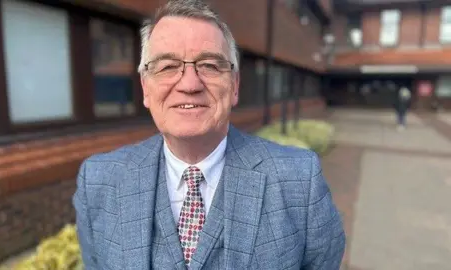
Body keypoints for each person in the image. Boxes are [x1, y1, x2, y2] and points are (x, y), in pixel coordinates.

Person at [72, 0, 345, 269]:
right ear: (145, 87)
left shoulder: (299, 181)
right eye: (167, 66)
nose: (190, 84)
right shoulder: (98, 182)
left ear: (235, 85)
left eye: (210, 66)